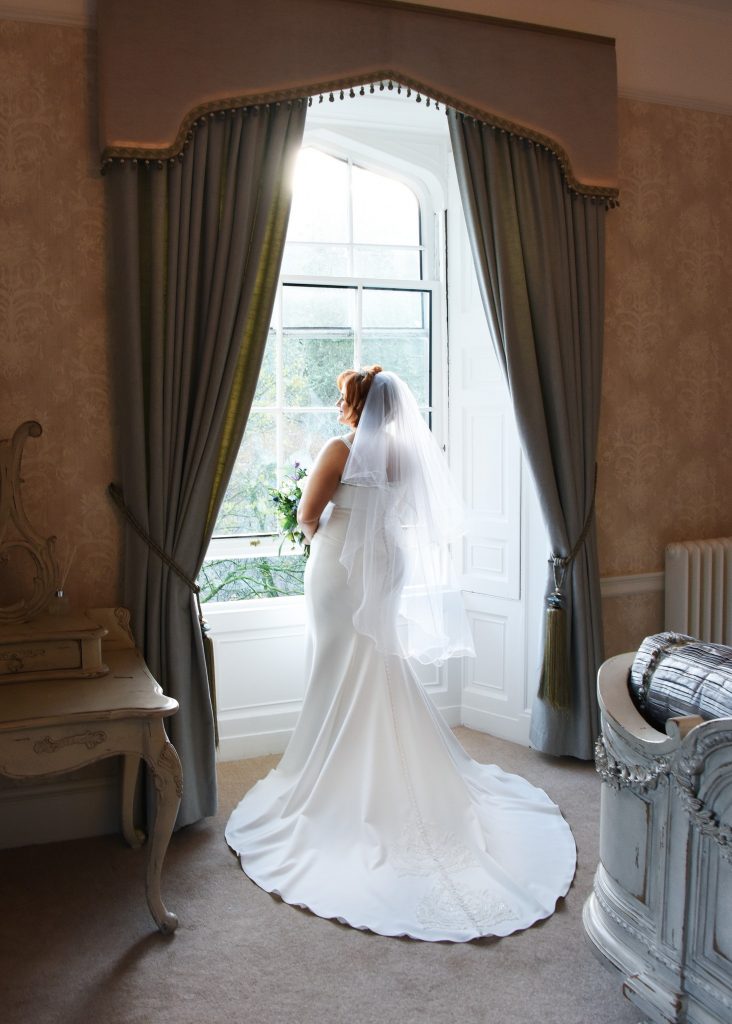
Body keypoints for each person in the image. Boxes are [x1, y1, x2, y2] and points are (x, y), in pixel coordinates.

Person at [226, 366, 576, 942]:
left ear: (356, 404)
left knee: (336, 662)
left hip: (340, 568)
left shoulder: (338, 450)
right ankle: (374, 753)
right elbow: (414, 516)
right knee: (378, 662)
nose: (341, 404)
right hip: (387, 565)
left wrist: (323, 532)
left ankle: (330, 767)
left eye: (344, 397)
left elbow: (306, 516)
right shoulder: (410, 455)